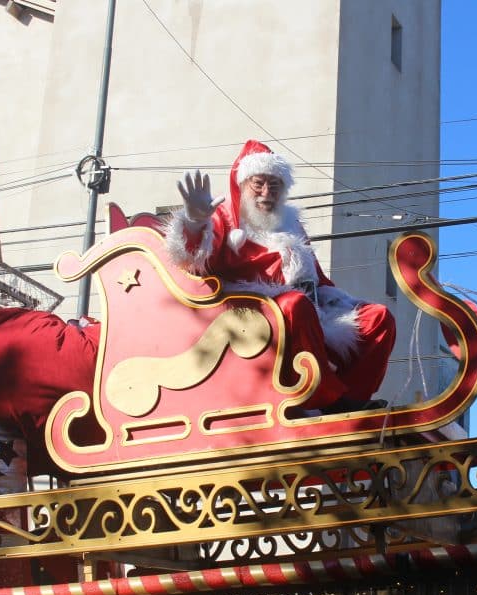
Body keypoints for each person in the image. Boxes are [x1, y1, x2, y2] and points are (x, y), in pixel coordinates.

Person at [165, 139, 396, 413]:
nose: (266, 193)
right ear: (243, 184)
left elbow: (318, 280)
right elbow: (193, 260)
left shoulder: (291, 224)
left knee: (378, 316)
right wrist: (194, 221)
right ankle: (319, 398)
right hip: (245, 315)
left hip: (305, 310)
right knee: (295, 305)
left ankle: (351, 400)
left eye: (275, 186)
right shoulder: (224, 218)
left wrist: (342, 303)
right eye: (259, 184)